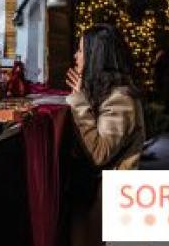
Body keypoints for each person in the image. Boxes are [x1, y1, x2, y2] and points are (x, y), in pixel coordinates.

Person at [65, 24, 145, 246]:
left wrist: (79, 103)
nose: (75, 56)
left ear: (95, 56)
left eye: (81, 51)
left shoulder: (121, 99)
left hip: (107, 200)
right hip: (92, 193)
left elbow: (99, 153)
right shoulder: (103, 90)